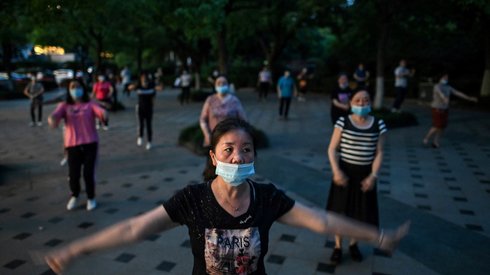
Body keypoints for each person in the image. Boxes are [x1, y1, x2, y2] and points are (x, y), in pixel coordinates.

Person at [44, 117, 409, 274]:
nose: (239, 157)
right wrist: (76, 249)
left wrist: (378, 235)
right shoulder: (192, 199)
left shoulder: (267, 198)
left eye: (247, 149)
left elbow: (322, 220)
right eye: (229, 149)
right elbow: (133, 230)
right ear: (214, 156)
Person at [326, 89, 387, 265]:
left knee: (360, 213)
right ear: (351, 102)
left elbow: (380, 152)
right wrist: (336, 171)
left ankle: (354, 244)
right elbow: (331, 149)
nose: (362, 104)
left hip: (365, 175)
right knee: (340, 212)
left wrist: (373, 176)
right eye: (358, 100)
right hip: (344, 173)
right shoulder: (342, 122)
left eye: (366, 100)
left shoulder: (379, 124)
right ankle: (338, 246)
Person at [48, 79, 107, 211]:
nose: (76, 89)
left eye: (78, 86)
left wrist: (104, 113)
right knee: (73, 174)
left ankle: (91, 197)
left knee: (88, 173)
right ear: (69, 90)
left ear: (83, 88)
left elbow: (100, 111)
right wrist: (52, 119)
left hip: (90, 143)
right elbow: (55, 115)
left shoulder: (90, 104)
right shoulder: (64, 106)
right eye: (73, 87)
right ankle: (75, 195)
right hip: (72, 145)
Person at [423, 73, 478, 148]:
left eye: (447, 78)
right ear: (440, 78)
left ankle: (436, 141)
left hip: (445, 109)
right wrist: (444, 98)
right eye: (444, 78)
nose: (446, 79)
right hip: (437, 108)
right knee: (437, 125)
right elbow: (440, 93)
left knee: (442, 126)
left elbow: (457, 93)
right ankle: (427, 137)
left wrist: (469, 98)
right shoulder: (437, 86)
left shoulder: (448, 87)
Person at [200, 75, 247, 147]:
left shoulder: (234, 100)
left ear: (228, 85)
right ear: (215, 85)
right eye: (219, 83)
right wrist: (207, 134)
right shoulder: (210, 100)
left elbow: (243, 120)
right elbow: (203, 119)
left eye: (224, 83)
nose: (221, 85)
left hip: (231, 140)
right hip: (213, 139)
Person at [128, 72, 159, 150]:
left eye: (145, 78)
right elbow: (129, 88)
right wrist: (134, 86)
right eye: (142, 77)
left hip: (149, 108)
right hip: (140, 108)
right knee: (141, 124)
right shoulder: (138, 86)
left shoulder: (151, 86)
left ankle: (149, 142)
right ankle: (140, 136)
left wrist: (158, 86)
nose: (144, 79)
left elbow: (157, 92)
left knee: (149, 125)